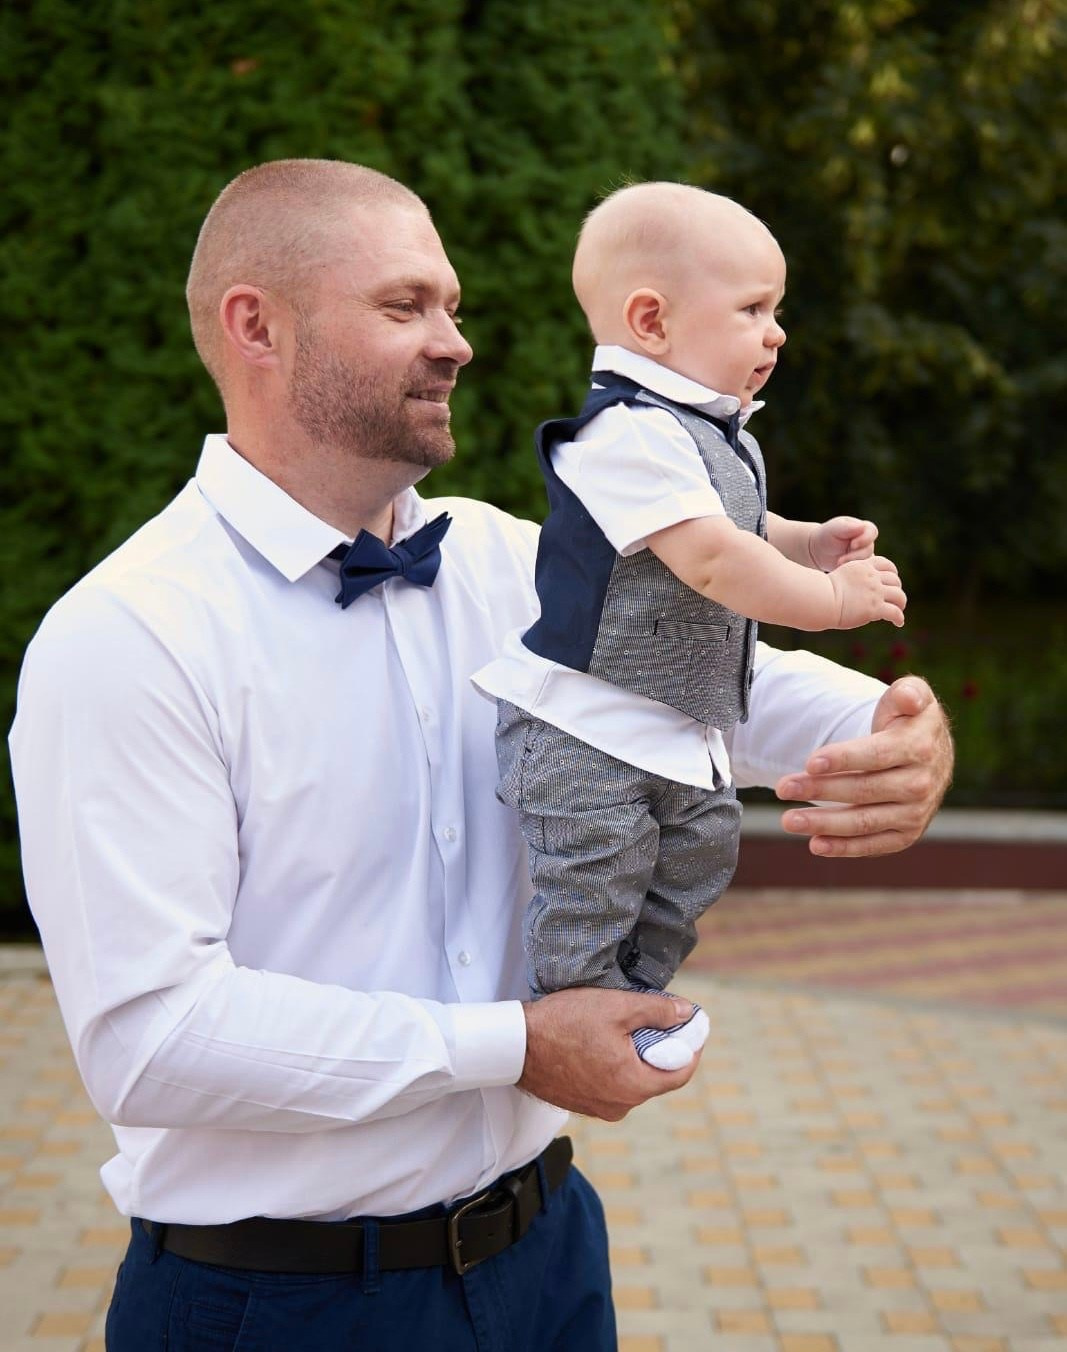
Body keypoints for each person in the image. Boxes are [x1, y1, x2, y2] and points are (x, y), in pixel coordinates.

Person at [8, 159, 952, 1352]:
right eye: (405, 305)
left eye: (452, 306)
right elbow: (152, 1042)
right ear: (257, 326)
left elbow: (723, 681)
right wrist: (513, 1044)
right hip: (275, 1307)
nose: (455, 342)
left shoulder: (512, 563)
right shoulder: (128, 636)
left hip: (547, 1259)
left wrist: (897, 734)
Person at [475, 182, 907, 1072]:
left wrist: (804, 541)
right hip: (586, 730)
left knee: (698, 854)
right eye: (752, 309)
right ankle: (575, 1009)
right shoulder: (626, 432)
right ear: (651, 320)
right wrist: (829, 601)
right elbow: (710, 558)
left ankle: (634, 1000)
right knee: (593, 878)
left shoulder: (705, 431)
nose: (775, 333)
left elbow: (739, 528)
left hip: (670, 730)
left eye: (776, 311)